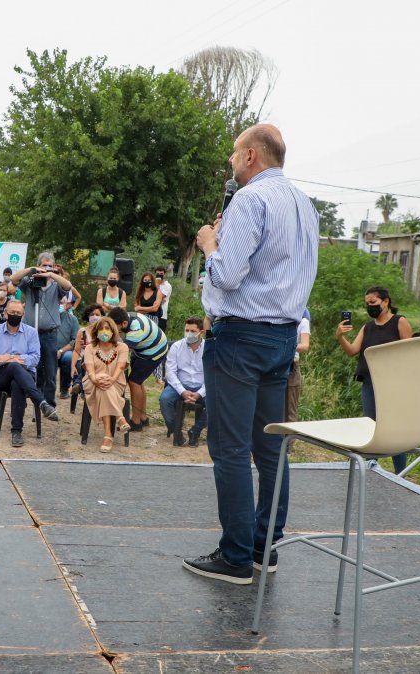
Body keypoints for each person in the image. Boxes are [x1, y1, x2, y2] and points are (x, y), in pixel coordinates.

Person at [184, 123, 318, 584]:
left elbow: (227, 276)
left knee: (231, 449)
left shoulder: (249, 199)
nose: (230, 161)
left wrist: (209, 245)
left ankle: (236, 556)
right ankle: (264, 549)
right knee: (270, 448)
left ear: (251, 157)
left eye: (234, 153)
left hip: (240, 338)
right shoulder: (304, 203)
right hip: (282, 337)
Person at [336, 287, 413, 471]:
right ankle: (369, 467)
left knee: (393, 429)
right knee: (369, 425)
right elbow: (352, 351)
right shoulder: (367, 327)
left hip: (392, 384)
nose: (370, 307)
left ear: (385, 302)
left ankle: (400, 474)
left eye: (373, 303)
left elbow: (411, 353)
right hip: (370, 383)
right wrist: (340, 336)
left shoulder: (399, 322)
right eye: (367, 304)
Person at [0, 300, 60, 447]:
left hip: (25, 377)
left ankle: (16, 431)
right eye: (12, 313)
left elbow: (35, 359)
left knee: (17, 382)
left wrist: (8, 358)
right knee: (14, 367)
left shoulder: (31, 333)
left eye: (18, 313)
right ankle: (41, 402)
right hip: (0, 376)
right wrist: (9, 361)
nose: (15, 315)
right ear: (5, 313)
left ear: (23, 315)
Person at [10, 251, 74, 411]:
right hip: (30, 332)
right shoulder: (30, 282)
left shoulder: (56, 286)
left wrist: (52, 274)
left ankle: (49, 404)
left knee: (50, 369)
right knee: (29, 366)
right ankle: (31, 399)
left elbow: (68, 286)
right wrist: (32, 270)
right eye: (43, 265)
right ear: (39, 265)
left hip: (50, 333)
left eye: (49, 266)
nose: (46, 268)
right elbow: (13, 279)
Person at [106, 307, 168, 429]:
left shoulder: (135, 329)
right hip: (143, 348)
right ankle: (143, 418)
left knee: (134, 382)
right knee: (138, 382)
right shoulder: (125, 317)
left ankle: (136, 422)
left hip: (154, 352)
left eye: (115, 327)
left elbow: (121, 352)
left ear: (124, 323)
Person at [82, 315, 132, 452]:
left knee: (104, 386)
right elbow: (90, 369)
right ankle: (120, 418)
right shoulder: (90, 348)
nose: (104, 331)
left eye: (107, 328)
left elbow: (121, 367)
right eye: (101, 328)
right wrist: (95, 379)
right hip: (92, 383)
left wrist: (112, 379)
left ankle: (108, 435)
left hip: (116, 383)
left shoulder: (122, 347)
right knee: (102, 381)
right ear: (96, 332)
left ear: (113, 331)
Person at [161, 317, 209, 448]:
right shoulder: (177, 346)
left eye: (193, 331)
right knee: (165, 399)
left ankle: (195, 431)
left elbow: (213, 375)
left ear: (202, 332)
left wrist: (200, 393)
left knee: (217, 403)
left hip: (203, 386)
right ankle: (176, 431)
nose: (188, 333)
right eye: (186, 330)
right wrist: (182, 391)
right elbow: (170, 372)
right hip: (180, 385)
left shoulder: (209, 348)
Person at [68, 304, 105, 396]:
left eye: (97, 314)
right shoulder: (82, 332)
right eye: (92, 314)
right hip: (82, 360)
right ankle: (84, 389)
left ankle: (79, 384)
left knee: (93, 364)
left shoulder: (105, 331)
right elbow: (76, 351)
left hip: (99, 360)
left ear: (102, 317)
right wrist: (72, 366)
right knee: (86, 362)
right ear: (87, 316)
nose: (94, 317)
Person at [285, 309, 311, 423]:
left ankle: (289, 440)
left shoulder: (303, 320)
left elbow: (305, 346)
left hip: (292, 365)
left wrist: (285, 345)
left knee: (290, 408)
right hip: (275, 363)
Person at [53, 295, 80, 398]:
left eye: (61, 303)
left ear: (68, 305)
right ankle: (46, 388)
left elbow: (75, 340)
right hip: (49, 349)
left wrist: (60, 350)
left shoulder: (73, 320)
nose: (59, 305)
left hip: (65, 351)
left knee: (69, 357)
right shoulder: (46, 318)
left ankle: (64, 389)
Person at [155, 266, 173, 334]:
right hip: (151, 314)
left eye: (161, 274)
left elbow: (160, 297)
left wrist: (157, 285)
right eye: (157, 274)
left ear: (164, 274)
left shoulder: (167, 285)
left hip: (162, 316)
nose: (159, 275)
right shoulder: (152, 285)